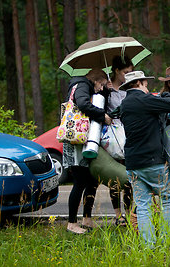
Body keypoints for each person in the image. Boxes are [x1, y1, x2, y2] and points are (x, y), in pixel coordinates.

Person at [120, 70, 170, 245]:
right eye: (146, 84)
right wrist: (166, 93)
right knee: (168, 197)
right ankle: (166, 239)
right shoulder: (145, 100)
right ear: (139, 83)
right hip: (153, 161)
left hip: (132, 163)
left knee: (143, 205)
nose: (147, 87)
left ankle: (149, 245)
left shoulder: (124, 104)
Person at [64, 68, 112, 234]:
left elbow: (98, 98)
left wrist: (107, 89)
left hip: (84, 140)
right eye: (101, 85)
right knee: (79, 182)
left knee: (91, 180)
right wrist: (102, 115)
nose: (101, 88)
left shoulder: (88, 86)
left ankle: (87, 218)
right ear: (96, 81)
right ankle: (71, 223)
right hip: (77, 141)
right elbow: (83, 104)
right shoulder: (81, 85)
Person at [105, 55, 134, 226]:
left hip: (130, 134)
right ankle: (118, 215)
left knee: (129, 175)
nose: (128, 75)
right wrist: (104, 91)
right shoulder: (108, 89)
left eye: (130, 72)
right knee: (115, 176)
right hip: (114, 137)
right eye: (125, 72)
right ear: (116, 71)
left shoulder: (129, 88)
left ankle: (129, 213)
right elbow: (100, 108)